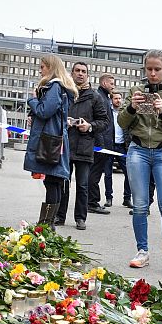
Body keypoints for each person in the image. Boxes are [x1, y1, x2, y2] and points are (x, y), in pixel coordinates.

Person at [117, 49, 162, 275]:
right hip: (138, 149)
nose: (153, 73)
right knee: (140, 204)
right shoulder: (135, 91)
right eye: (149, 69)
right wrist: (131, 107)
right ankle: (142, 251)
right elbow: (121, 122)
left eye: (158, 69)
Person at [23, 54, 79, 228]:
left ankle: (47, 224)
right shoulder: (58, 87)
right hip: (54, 139)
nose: (40, 71)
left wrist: (32, 100)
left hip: (51, 140)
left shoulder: (54, 86)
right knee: (53, 182)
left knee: (52, 183)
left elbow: (45, 111)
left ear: (51, 68)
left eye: (42, 67)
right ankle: (47, 223)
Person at [54, 62, 109, 230]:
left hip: (84, 146)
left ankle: (80, 218)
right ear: (72, 73)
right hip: (65, 145)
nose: (80, 74)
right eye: (77, 71)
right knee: (63, 183)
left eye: (83, 71)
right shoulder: (65, 92)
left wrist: (89, 126)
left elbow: (105, 121)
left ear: (88, 75)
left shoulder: (94, 96)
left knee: (83, 185)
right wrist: (65, 122)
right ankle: (59, 216)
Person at [88, 73, 117, 214]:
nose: (113, 86)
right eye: (111, 83)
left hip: (104, 143)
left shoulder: (105, 97)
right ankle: (92, 202)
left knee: (96, 173)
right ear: (104, 83)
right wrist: (101, 145)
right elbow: (101, 122)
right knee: (95, 173)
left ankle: (92, 201)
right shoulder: (100, 97)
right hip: (101, 144)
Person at [111, 91, 132, 208]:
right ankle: (109, 198)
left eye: (120, 98)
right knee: (107, 174)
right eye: (116, 98)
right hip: (109, 146)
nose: (118, 100)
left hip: (122, 146)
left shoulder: (125, 113)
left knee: (128, 173)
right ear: (111, 100)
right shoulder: (109, 113)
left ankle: (127, 198)